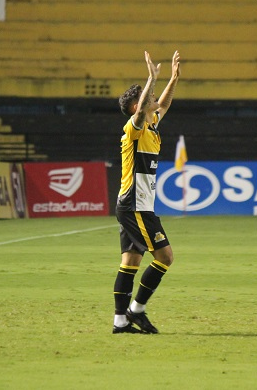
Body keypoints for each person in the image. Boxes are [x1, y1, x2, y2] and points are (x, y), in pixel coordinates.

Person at [112, 50, 180, 334]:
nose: (153, 100)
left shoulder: (151, 124)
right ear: (135, 107)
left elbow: (161, 104)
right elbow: (143, 110)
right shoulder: (135, 127)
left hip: (136, 203)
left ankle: (120, 322)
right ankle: (136, 310)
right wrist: (151, 77)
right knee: (165, 257)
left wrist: (173, 78)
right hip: (135, 205)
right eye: (146, 96)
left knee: (130, 261)